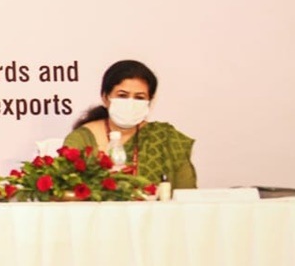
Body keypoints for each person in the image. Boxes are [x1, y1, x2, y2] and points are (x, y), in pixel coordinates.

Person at [64, 59, 197, 189]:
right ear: (105, 98)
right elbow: (66, 190)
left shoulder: (166, 139)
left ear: (149, 102)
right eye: (122, 95)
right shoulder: (81, 139)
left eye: (139, 97)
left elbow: (187, 196)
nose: (130, 103)